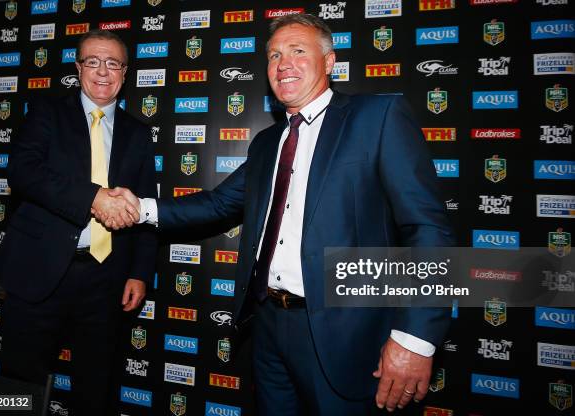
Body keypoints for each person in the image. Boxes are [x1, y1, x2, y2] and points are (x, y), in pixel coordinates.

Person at [106, 14, 454, 415]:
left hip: (347, 335)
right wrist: (138, 208)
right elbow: (218, 204)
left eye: (298, 51)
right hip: (267, 326)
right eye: (274, 55)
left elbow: (427, 229)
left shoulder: (376, 118)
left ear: (330, 62)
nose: (283, 63)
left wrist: (415, 338)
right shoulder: (268, 142)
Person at [0, 29, 158, 415]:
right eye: (93, 61)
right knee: (17, 386)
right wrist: (93, 197)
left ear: (125, 72)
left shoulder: (139, 133)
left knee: (98, 388)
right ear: (78, 68)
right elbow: (24, 171)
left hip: (107, 278)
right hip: (39, 270)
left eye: (113, 63)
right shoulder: (47, 112)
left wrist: (139, 272)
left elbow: (148, 207)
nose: (103, 71)